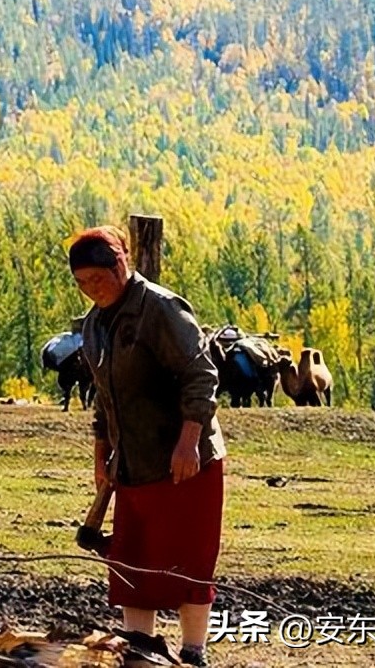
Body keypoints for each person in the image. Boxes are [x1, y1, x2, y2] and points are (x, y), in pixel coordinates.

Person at [69, 225, 226, 668]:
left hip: (184, 461)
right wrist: (101, 454)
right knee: (132, 561)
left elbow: (202, 375)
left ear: (120, 264)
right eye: (82, 284)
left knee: (187, 561)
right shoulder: (96, 325)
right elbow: (105, 394)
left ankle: (193, 653)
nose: (91, 291)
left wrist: (188, 441)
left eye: (97, 280)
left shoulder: (160, 309)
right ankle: (140, 652)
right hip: (132, 462)